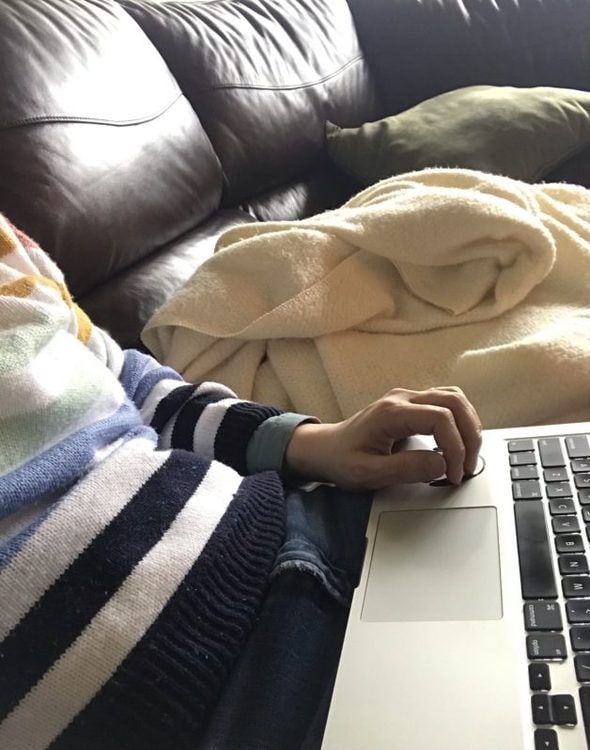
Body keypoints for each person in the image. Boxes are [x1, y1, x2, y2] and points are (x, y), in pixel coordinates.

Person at [0, 214, 482, 750]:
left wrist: (311, 442)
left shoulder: (7, 244)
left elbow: (134, 385)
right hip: (224, 713)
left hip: (302, 529)